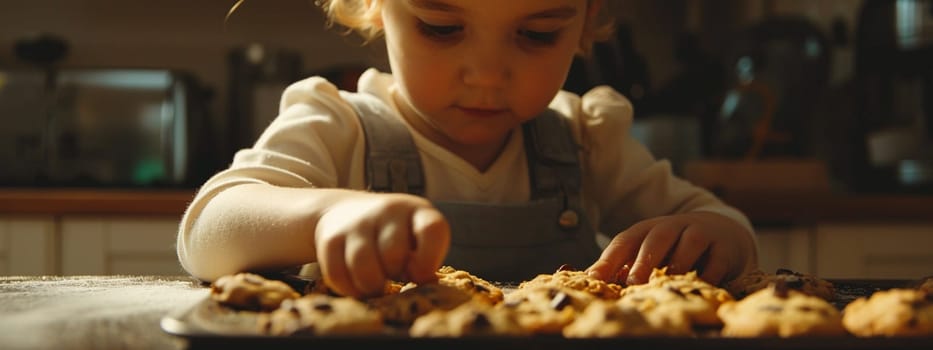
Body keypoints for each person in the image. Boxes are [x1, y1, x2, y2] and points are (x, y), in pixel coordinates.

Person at [176, 0, 759, 298]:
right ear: (379, 8)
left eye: (535, 35)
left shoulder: (584, 138)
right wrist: (331, 213)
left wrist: (716, 237)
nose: (485, 75)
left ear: (587, 22)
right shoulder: (338, 127)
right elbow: (207, 230)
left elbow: (720, 224)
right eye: (440, 26)